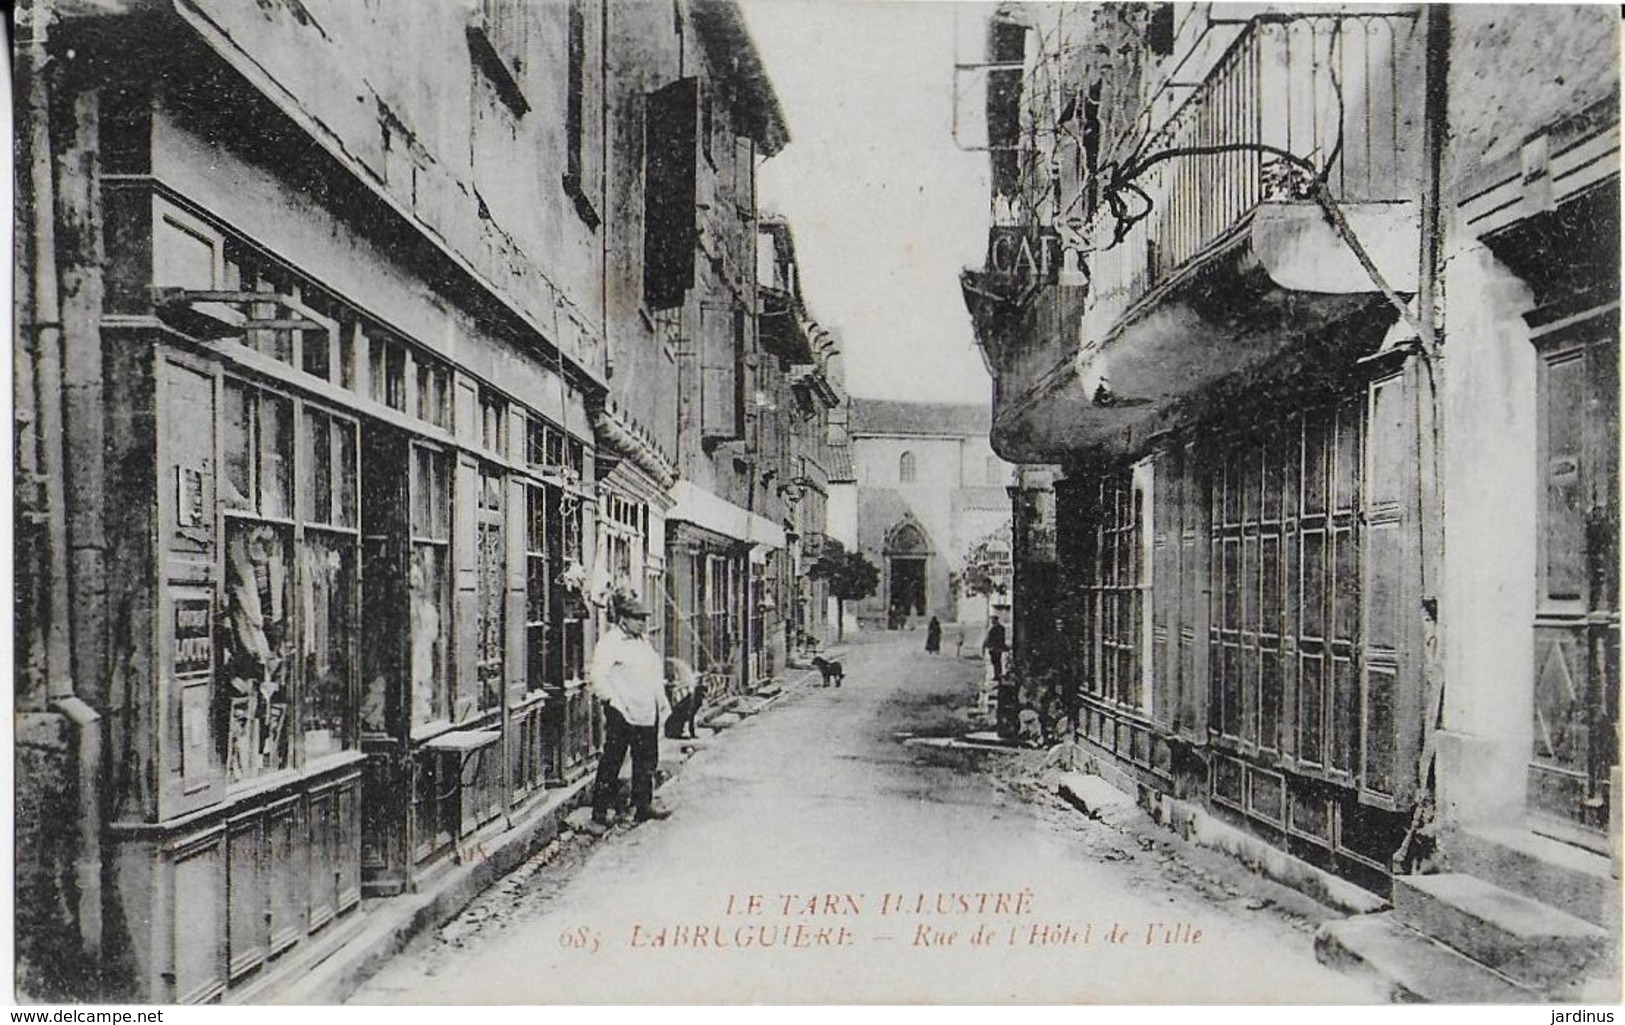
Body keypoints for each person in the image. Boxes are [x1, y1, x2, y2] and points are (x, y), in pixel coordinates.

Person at [587, 590, 672, 833]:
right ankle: (599, 813)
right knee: (612, 760)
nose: (642, 623)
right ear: (623, 618)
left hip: (646, 710)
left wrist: (662, 704)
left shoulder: (643, 642)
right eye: (637, 618)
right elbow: (598, 677)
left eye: (644, 619)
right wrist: (613, 703)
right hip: (622, 711)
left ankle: (643, 805)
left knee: (646, 760)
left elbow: (653, 675)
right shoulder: (610, 642)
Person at [982, 616, 1008, 681]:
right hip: (996, 647)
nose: (992, 621)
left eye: (993, 620)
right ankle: (998, 675)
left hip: (995, 647)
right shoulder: (999, 628)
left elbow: (998, 639)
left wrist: (990, 645)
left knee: (996, 662)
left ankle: (997, 675)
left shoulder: (996, 628)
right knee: (996, 662)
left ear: (996, 620)